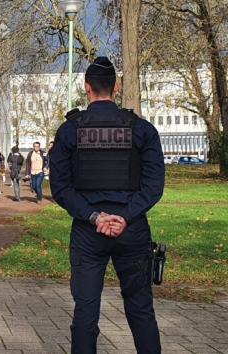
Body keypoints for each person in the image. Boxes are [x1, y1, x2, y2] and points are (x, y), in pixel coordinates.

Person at [50, 57, 164, 354]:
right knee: (140, 310)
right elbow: (153, 187)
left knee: (85, 312)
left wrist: (94, 215)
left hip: (88, 232)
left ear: (86, 88)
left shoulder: (69, 131)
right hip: (133, 230)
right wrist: (124, 216)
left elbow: (60, 188)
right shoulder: (142, 130)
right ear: (117, 87)